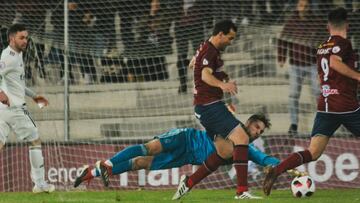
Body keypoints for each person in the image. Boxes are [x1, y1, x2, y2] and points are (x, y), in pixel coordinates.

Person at [263, 7, 360, 196]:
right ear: (347, 25)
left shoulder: (322, 46)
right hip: (345, 105)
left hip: (325, 105)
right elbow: (334, 62)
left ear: (327, 26)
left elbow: (320, 76)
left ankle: (277, 169)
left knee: (313, 152)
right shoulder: (344, 43)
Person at [74, 113, 305, 188]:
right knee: (149, 148)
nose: (257, 133)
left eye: (261, 132)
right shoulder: (229, 123)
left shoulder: (247, 148)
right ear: (249, 122)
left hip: (185, 157)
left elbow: (265, 159)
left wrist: (290, 169)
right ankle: (109, 164)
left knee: (140, 164)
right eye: (257, 127)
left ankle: (92, 173)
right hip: (185, 139)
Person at [173, 19, 260, 200]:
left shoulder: (205, 48)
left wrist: (218, 76)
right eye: (229, 38)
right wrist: (222, 85)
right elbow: (205, 75)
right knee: (242, 137)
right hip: (209, 105)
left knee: (225, 152)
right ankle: (242, 191)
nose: (231, 42)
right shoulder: (210, 50)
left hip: (203, 107)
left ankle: (188, 183)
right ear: (220, 34)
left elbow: (193, 64)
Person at [0, 24, 55, 193]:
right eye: (21, 38)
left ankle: (39, 184)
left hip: (3, 110)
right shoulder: (9, 58)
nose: (25, 41)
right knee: (35, 140)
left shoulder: (15, 55)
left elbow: (17, 83)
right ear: (11, 38)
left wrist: (33, 95)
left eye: (26, 37)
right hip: (15, 109)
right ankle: (39, 184)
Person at [278, 0, 321, 136]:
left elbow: (323, 41)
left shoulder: (317, 22)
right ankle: (294, 124)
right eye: (301, 5)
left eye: (306, 6)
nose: (303, 8)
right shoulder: (291, 22)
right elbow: (282, 40)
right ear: (297, 7)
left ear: (310, 7)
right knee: (293, 95)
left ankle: (322, 123)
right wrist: (281, 58)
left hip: (313, 64)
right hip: (296, 65)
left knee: (318, 94)